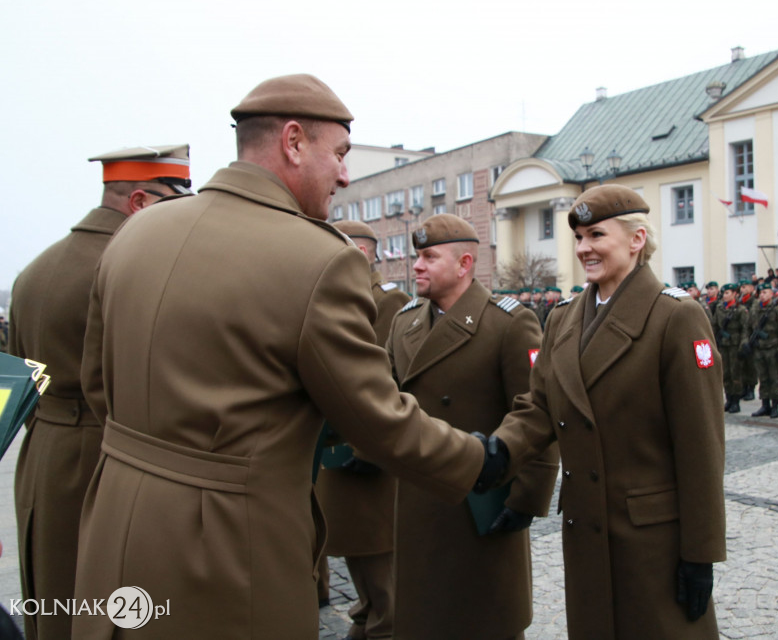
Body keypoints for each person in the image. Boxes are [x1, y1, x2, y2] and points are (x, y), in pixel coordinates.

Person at [72, 74, 492, 640]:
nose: (346, 174)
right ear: (293, 142)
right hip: (226, 549)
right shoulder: (319, 259)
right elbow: (376, 420)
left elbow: (99, 385)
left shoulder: (135, 233)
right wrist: (482, 459)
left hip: (113, 527)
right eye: (339, 154)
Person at [480, 184, 726, 639]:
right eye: (578, 238)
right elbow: (539, 409)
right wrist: (495, 451)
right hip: (587, 527)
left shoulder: (674, 317)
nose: (584, 249)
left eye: (596, 235)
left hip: (653, 540)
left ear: (636, 240)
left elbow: (701, 446)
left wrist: (701, 552)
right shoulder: (564, 317)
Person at [8, 144, 192, 640]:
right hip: (106, 455)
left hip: (42, 452)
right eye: (172, 205)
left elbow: (19, 378)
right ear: (138, 201)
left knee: (51, 599)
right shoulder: (128, 265)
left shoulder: (34, 271)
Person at [386, 214, 558, 640]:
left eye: (429, 257)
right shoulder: (404, 322)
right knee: (423, 621)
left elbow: (536, 411)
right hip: (417, 505)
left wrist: (525, 501)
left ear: (464, 264)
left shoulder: (508, 322)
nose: (417, 266)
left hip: (481, 502)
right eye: (416, 256)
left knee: (486, 621)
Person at [314, 220, 408, 639]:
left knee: (380, 563)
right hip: (337, 453)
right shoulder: (335, 297)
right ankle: (365, 620)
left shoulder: (389, 302)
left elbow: (392, 381)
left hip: (371, 456)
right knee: (356, 558)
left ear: (362, 253)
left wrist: (369, 450)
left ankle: (381, 627)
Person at [744, 282, 778, 419]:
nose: (762, 295)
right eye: (761, 293)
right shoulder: (755, 309)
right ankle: (765, 404)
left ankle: (775, 406)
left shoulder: (777, 309)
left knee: (773, 379)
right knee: (763, 378)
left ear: (771, 294)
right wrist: (747, 342)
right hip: (759, 348)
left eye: (765, 292)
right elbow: (748, 328)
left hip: (773, 348)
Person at [714, 283, 749, 414]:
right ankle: (728, 399)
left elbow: (745, 329)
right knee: (725, 373)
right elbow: (714, 325)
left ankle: (736, 401)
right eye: (723, 293)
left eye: (728, 293)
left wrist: (743, 345)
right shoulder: (719, 308)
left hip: (735, 345)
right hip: (723, 344)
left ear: (735, 294)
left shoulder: (740, 310)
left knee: (736, 373)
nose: (725, 296)